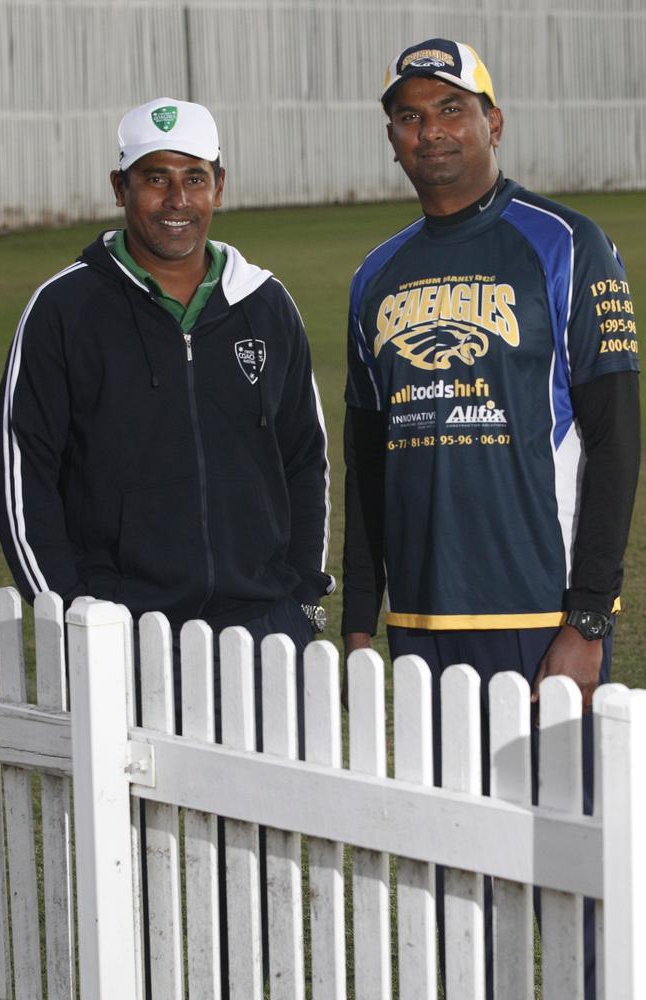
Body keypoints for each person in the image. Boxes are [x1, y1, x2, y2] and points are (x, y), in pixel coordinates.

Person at [341, 38, 640, 999]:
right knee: (445, 882)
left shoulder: (566, 241)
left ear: (492, 121)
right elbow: (367, 464)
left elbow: (618, 440)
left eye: (451, 110)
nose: (431, 131)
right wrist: (359, 621)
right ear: (393, 137)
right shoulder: (374, 276)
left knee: (577, 870)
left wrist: (587, 619)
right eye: (410, 116)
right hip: (423, 628)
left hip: (538, 624)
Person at [0, 96, 333, 657]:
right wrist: (70, 611)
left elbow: (305, 458)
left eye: (194, 178)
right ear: (119, 186)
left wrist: (300, 599)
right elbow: (21, 474)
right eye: (155, 178)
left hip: (263, 631)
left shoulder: (266, 304)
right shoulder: (62, 310)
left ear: (219, 186)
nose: (177, 200)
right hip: (122, 633)